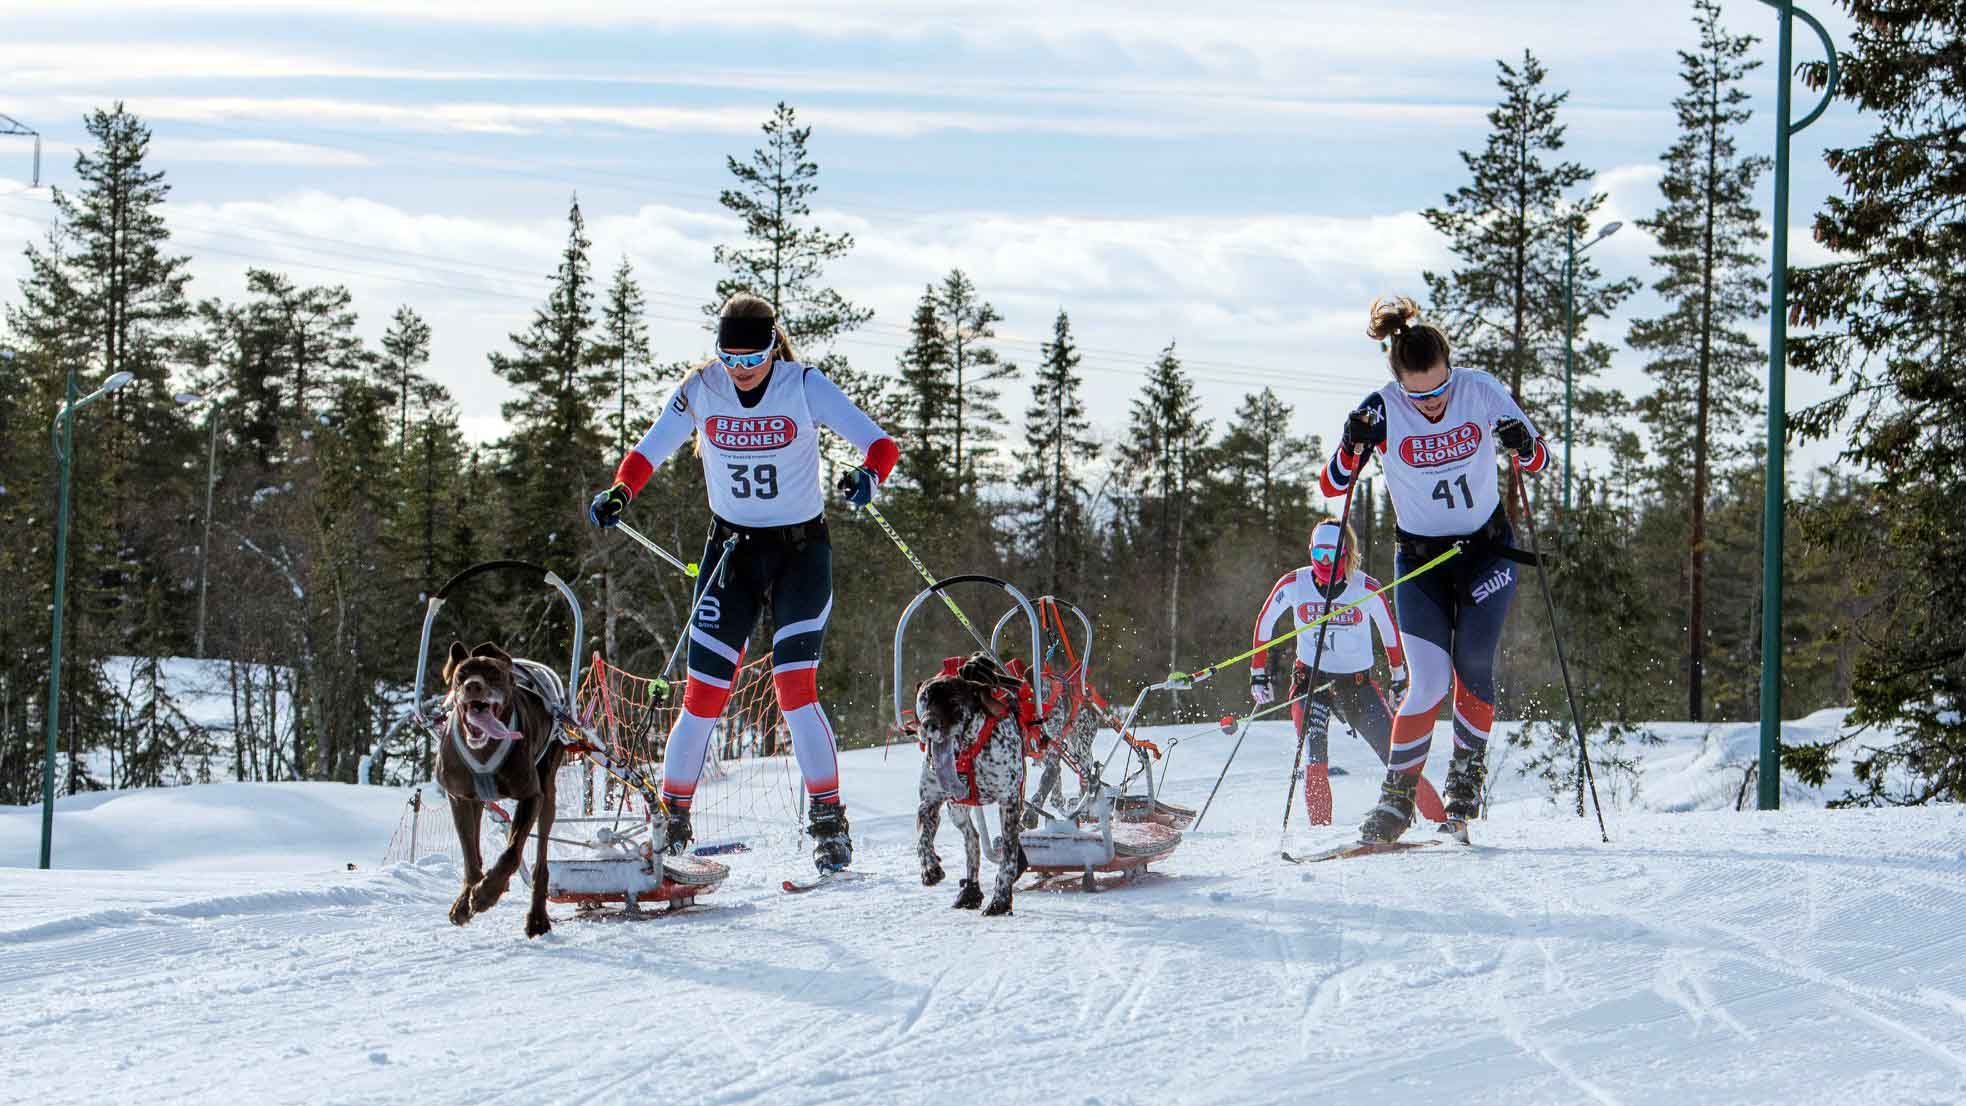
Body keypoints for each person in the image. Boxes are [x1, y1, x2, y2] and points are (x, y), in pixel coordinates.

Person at [587, 293, 898, 875]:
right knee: (702, 695)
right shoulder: (701, 389)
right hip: (730, 554)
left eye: (751, 356)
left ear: (771, 345)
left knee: (794, 690)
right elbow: (648, 450)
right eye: (728, 358)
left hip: (800, 554)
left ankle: (829, 823)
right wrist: (621, 492)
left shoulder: (803, 384)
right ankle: (672, 823)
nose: (740, 369)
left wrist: (867, 478)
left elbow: (881, 445)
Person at [1319, 296, 1550, 843]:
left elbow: (1539, 459)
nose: (1430, 405)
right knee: (1424, 683)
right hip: (1421, 561)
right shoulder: (1381, 407)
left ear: (1451, 369)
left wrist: (1523, 444)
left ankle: (1464, 787)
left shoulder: (1480, 389)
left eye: (1440, 391)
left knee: (1471, 663)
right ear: (1399, 382)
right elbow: (1333, 486)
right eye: (1418, 395)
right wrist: (1353, 446)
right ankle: (1396, 803)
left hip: (1484, 554)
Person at [1250, 517, 1445, 827]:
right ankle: (1320, 832)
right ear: (1310, 551)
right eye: (1318, 555)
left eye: (1332, 555)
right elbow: (1265, 621)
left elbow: (1390, 633)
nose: (1324, 563)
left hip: (1356, 686)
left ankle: (1441, 823)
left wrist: (1399, 678)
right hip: (1310, 683)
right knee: (1315, 758)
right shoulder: (1293, 584)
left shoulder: (1365, 588)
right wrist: (1257, 672)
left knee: (1398, 758)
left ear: (1346, 554)